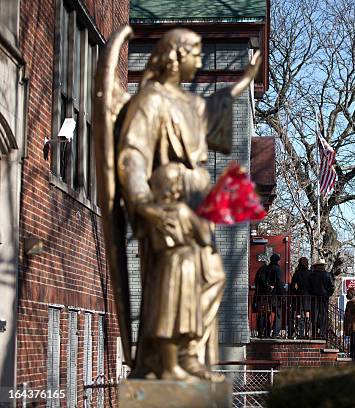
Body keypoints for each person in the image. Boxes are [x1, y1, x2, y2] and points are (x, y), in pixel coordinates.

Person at [114, 28, 261, 380]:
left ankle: (190, 352)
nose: (200, 60)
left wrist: (245, 80)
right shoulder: (150, 101)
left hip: (197, 201)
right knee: (175, 276)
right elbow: (132, 156)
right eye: (195, 53)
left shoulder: (190, 103)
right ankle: (166, 362)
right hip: (168, 199)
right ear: (177, 56)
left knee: (210, 276)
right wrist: (144, 203)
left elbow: (215, 108)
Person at [308, 260, 334, 338]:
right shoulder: (327, 275)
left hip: (314, 298)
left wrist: (311, 294)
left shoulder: (311, 275)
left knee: (314, 316)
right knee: (323, 316)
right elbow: (331, 288)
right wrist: (327, 295)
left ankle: (314, 333)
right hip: (324, 298)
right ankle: (322, 333)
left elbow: (308, 287)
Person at [290, 257, 311, 338]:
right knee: (307, 314)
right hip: (308, 296)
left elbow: (292, 286)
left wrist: (296, 292)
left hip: (299, 295)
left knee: (298, 313)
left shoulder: (297, 273)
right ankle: (306, 333)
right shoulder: (310, 273)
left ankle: (300, 332)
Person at [253, 259, 273, 338]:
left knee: (262, 315)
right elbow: (264, 285)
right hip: (264, 297)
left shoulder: (260, 272)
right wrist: (270, 288)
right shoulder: (265, 272)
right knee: (264, 315)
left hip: (259, 296)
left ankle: (262, 332)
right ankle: (265, 333)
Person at [269, 253, 285, 338]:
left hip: (267, 295)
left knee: (266, 313)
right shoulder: (278, 270)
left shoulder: (267, 268)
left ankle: (265, 332)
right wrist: (283, 295)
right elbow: (279, 283)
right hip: (276, 295)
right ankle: (275, 333)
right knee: (278, 314)